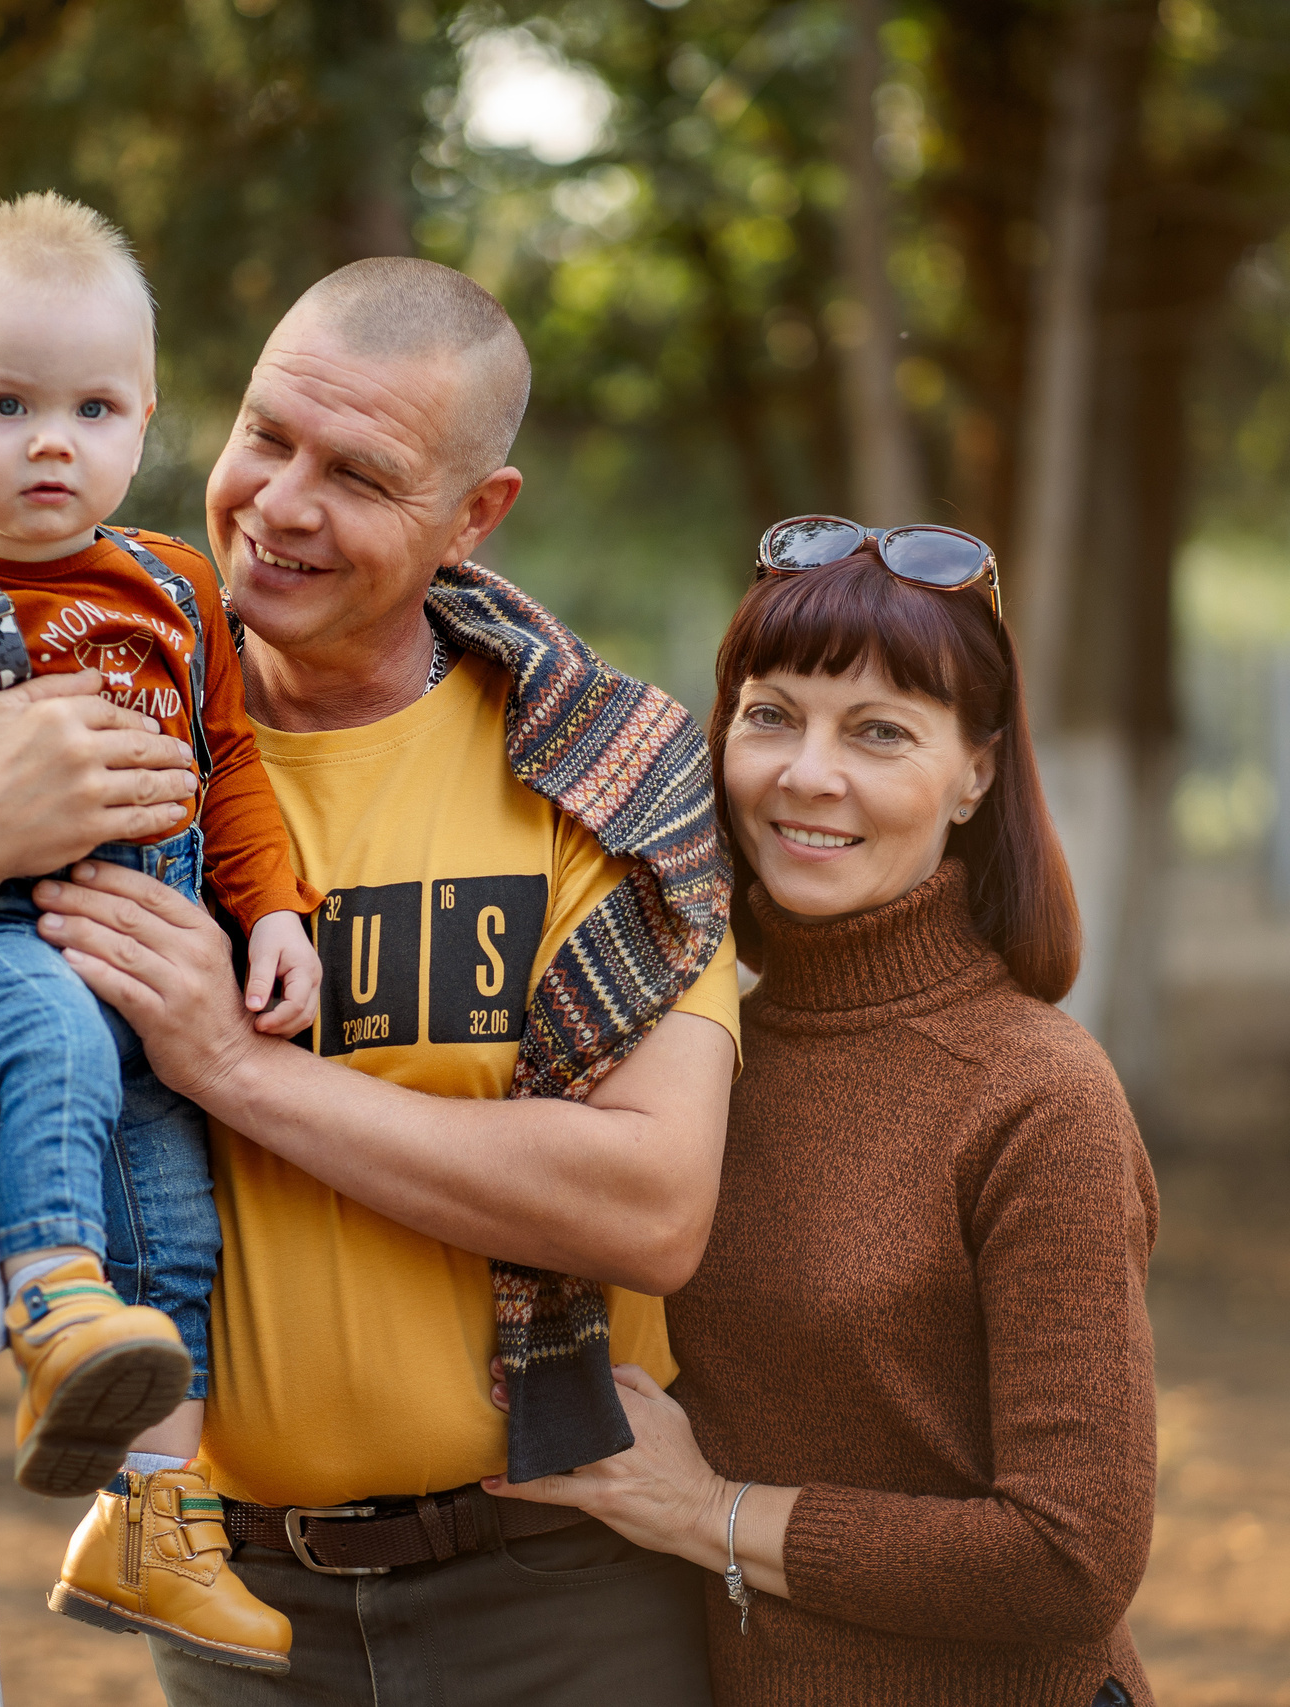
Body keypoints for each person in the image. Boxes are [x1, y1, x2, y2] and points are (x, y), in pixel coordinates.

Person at [0, 257, 742, 1705]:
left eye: (359, 473)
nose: (283, 502)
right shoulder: (76, 728)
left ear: (475, 514)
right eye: (265, 438)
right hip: (227, 1598)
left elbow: (650, 1205)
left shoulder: (603, 776)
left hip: (555, 1592)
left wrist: (236, 1067)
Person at [486, 520, 1161, 1707]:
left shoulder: (1038, 1094)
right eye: (770, 715)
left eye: (880, 733)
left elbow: (1071, 1557)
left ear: (977, 774)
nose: (807, 774)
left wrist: (711, 1514)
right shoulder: (686, 1055)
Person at [0, 191, 323, 1671]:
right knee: (41, 1034)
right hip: (8, 940)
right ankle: (48, 1293)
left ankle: (155, 1520)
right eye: (6, 402)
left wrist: (275, 909)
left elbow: (228, 768)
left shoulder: (176, 589)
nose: (53, 440)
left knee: (182, 1219)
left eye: (93, 406)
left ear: (146, 417)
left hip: (164, 955)